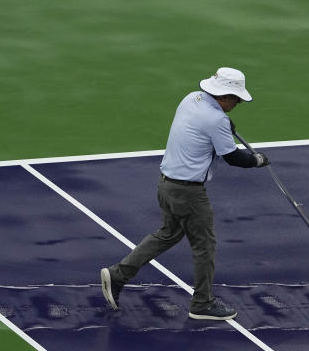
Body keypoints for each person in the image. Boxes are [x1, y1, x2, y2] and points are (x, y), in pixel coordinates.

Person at [100, 67, 270, 321]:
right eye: (235, 99)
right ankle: (202, 303)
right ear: (223, 96)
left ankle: (118, 275)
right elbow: (233, 157)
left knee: (168, 234)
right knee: (205, 245)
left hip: (166, 185)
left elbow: (204, 129)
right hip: (188, 193)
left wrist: (226, 126)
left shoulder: (192, 98)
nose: (237, 104)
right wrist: (257, 160)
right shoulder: (217, 120)